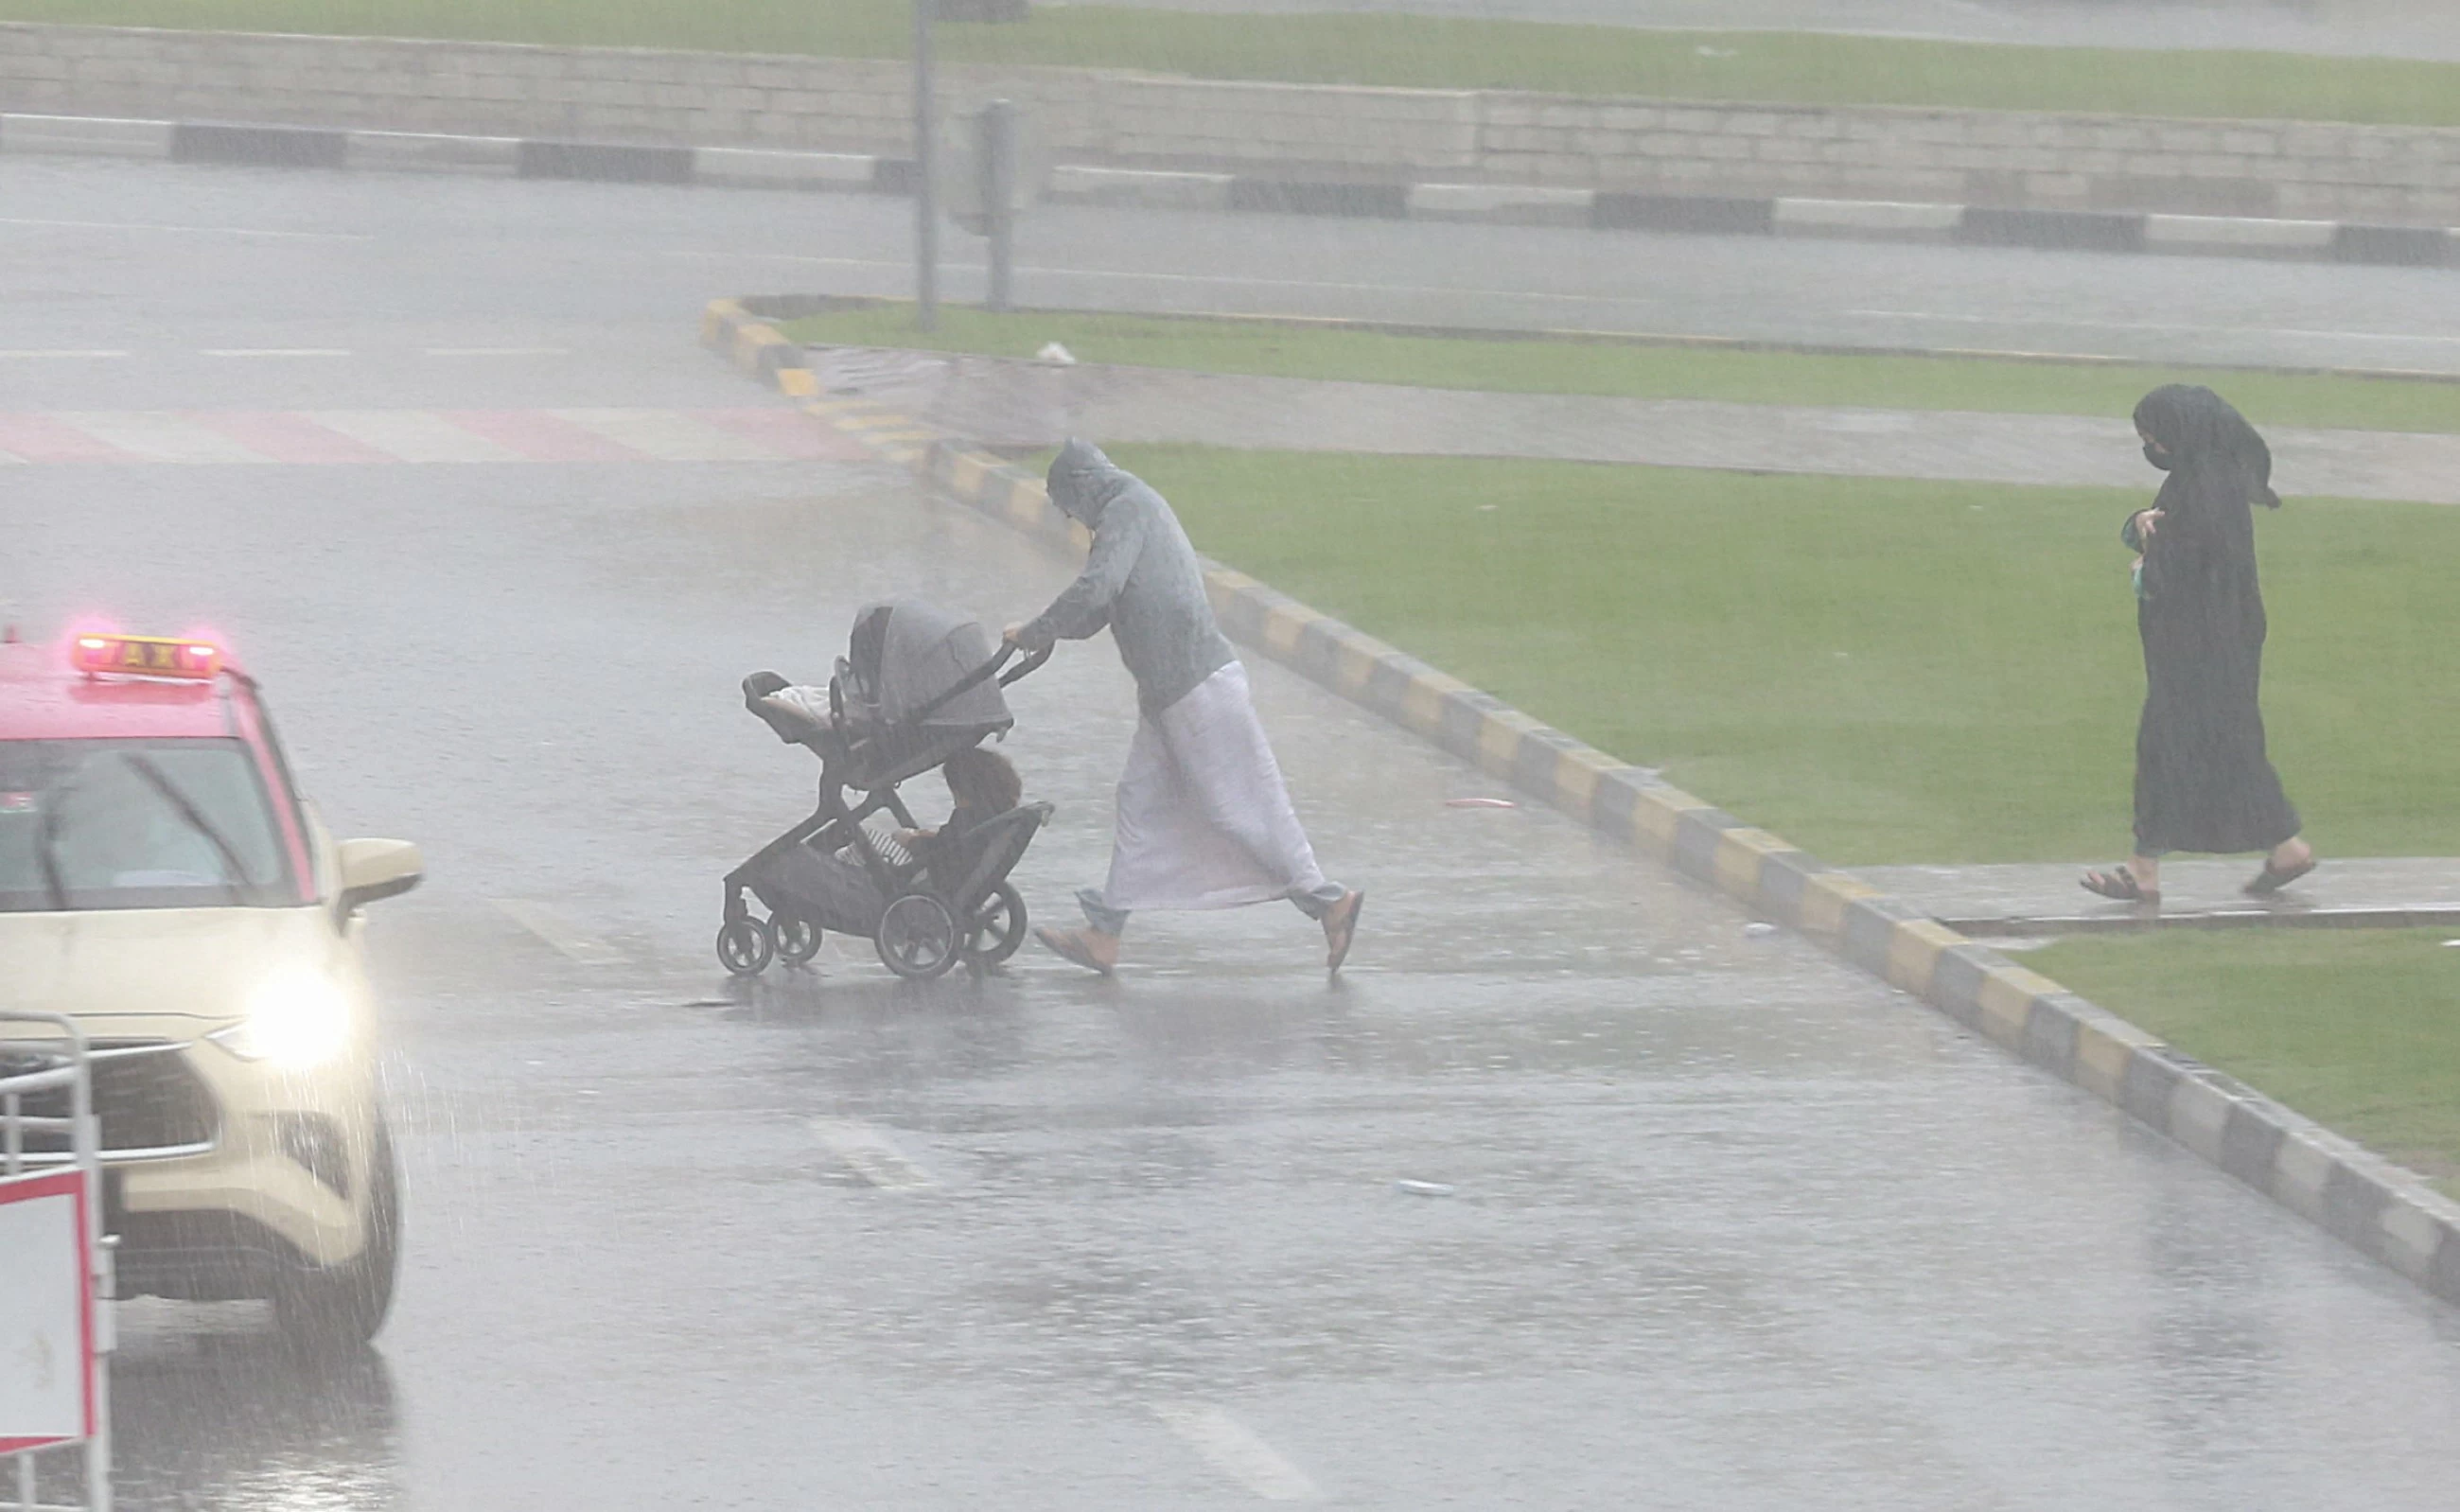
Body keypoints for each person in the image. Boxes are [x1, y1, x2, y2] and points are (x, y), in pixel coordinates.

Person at [1006, 439, 1362, 975]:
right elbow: (1100, 607)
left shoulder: (1128, 508)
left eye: (1066, 506)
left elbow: (1098, 588)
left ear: (1080, 488)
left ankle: (1330, 902)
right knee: (1139, 800)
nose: (1069, 518)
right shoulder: (1129, 511)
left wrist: (1037, 630)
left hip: (1197, 687)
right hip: (1168, 697)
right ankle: (1104, 934)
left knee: (1241, 809)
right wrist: (1042, 633)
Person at [2082, 384, 2313, 908]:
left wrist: (2146, 568)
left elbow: (2189, 561)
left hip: (2201, 644)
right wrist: (2143, 528)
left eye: (2153, 438)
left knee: (2170, 744)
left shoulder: (2204, 485)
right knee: (2226, 744)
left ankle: (2144, 870)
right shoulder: (2209, 475)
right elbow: (2170, 531)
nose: (2152, 449)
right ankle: (2286, 847)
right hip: (2220, 639)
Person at [894, 745, 1023, 887]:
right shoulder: (993, 817)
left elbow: (944, 853)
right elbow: (957, 841)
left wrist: (910, 840)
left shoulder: (968, 817)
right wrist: (933, 835)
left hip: (940, 884)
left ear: (965, 789)